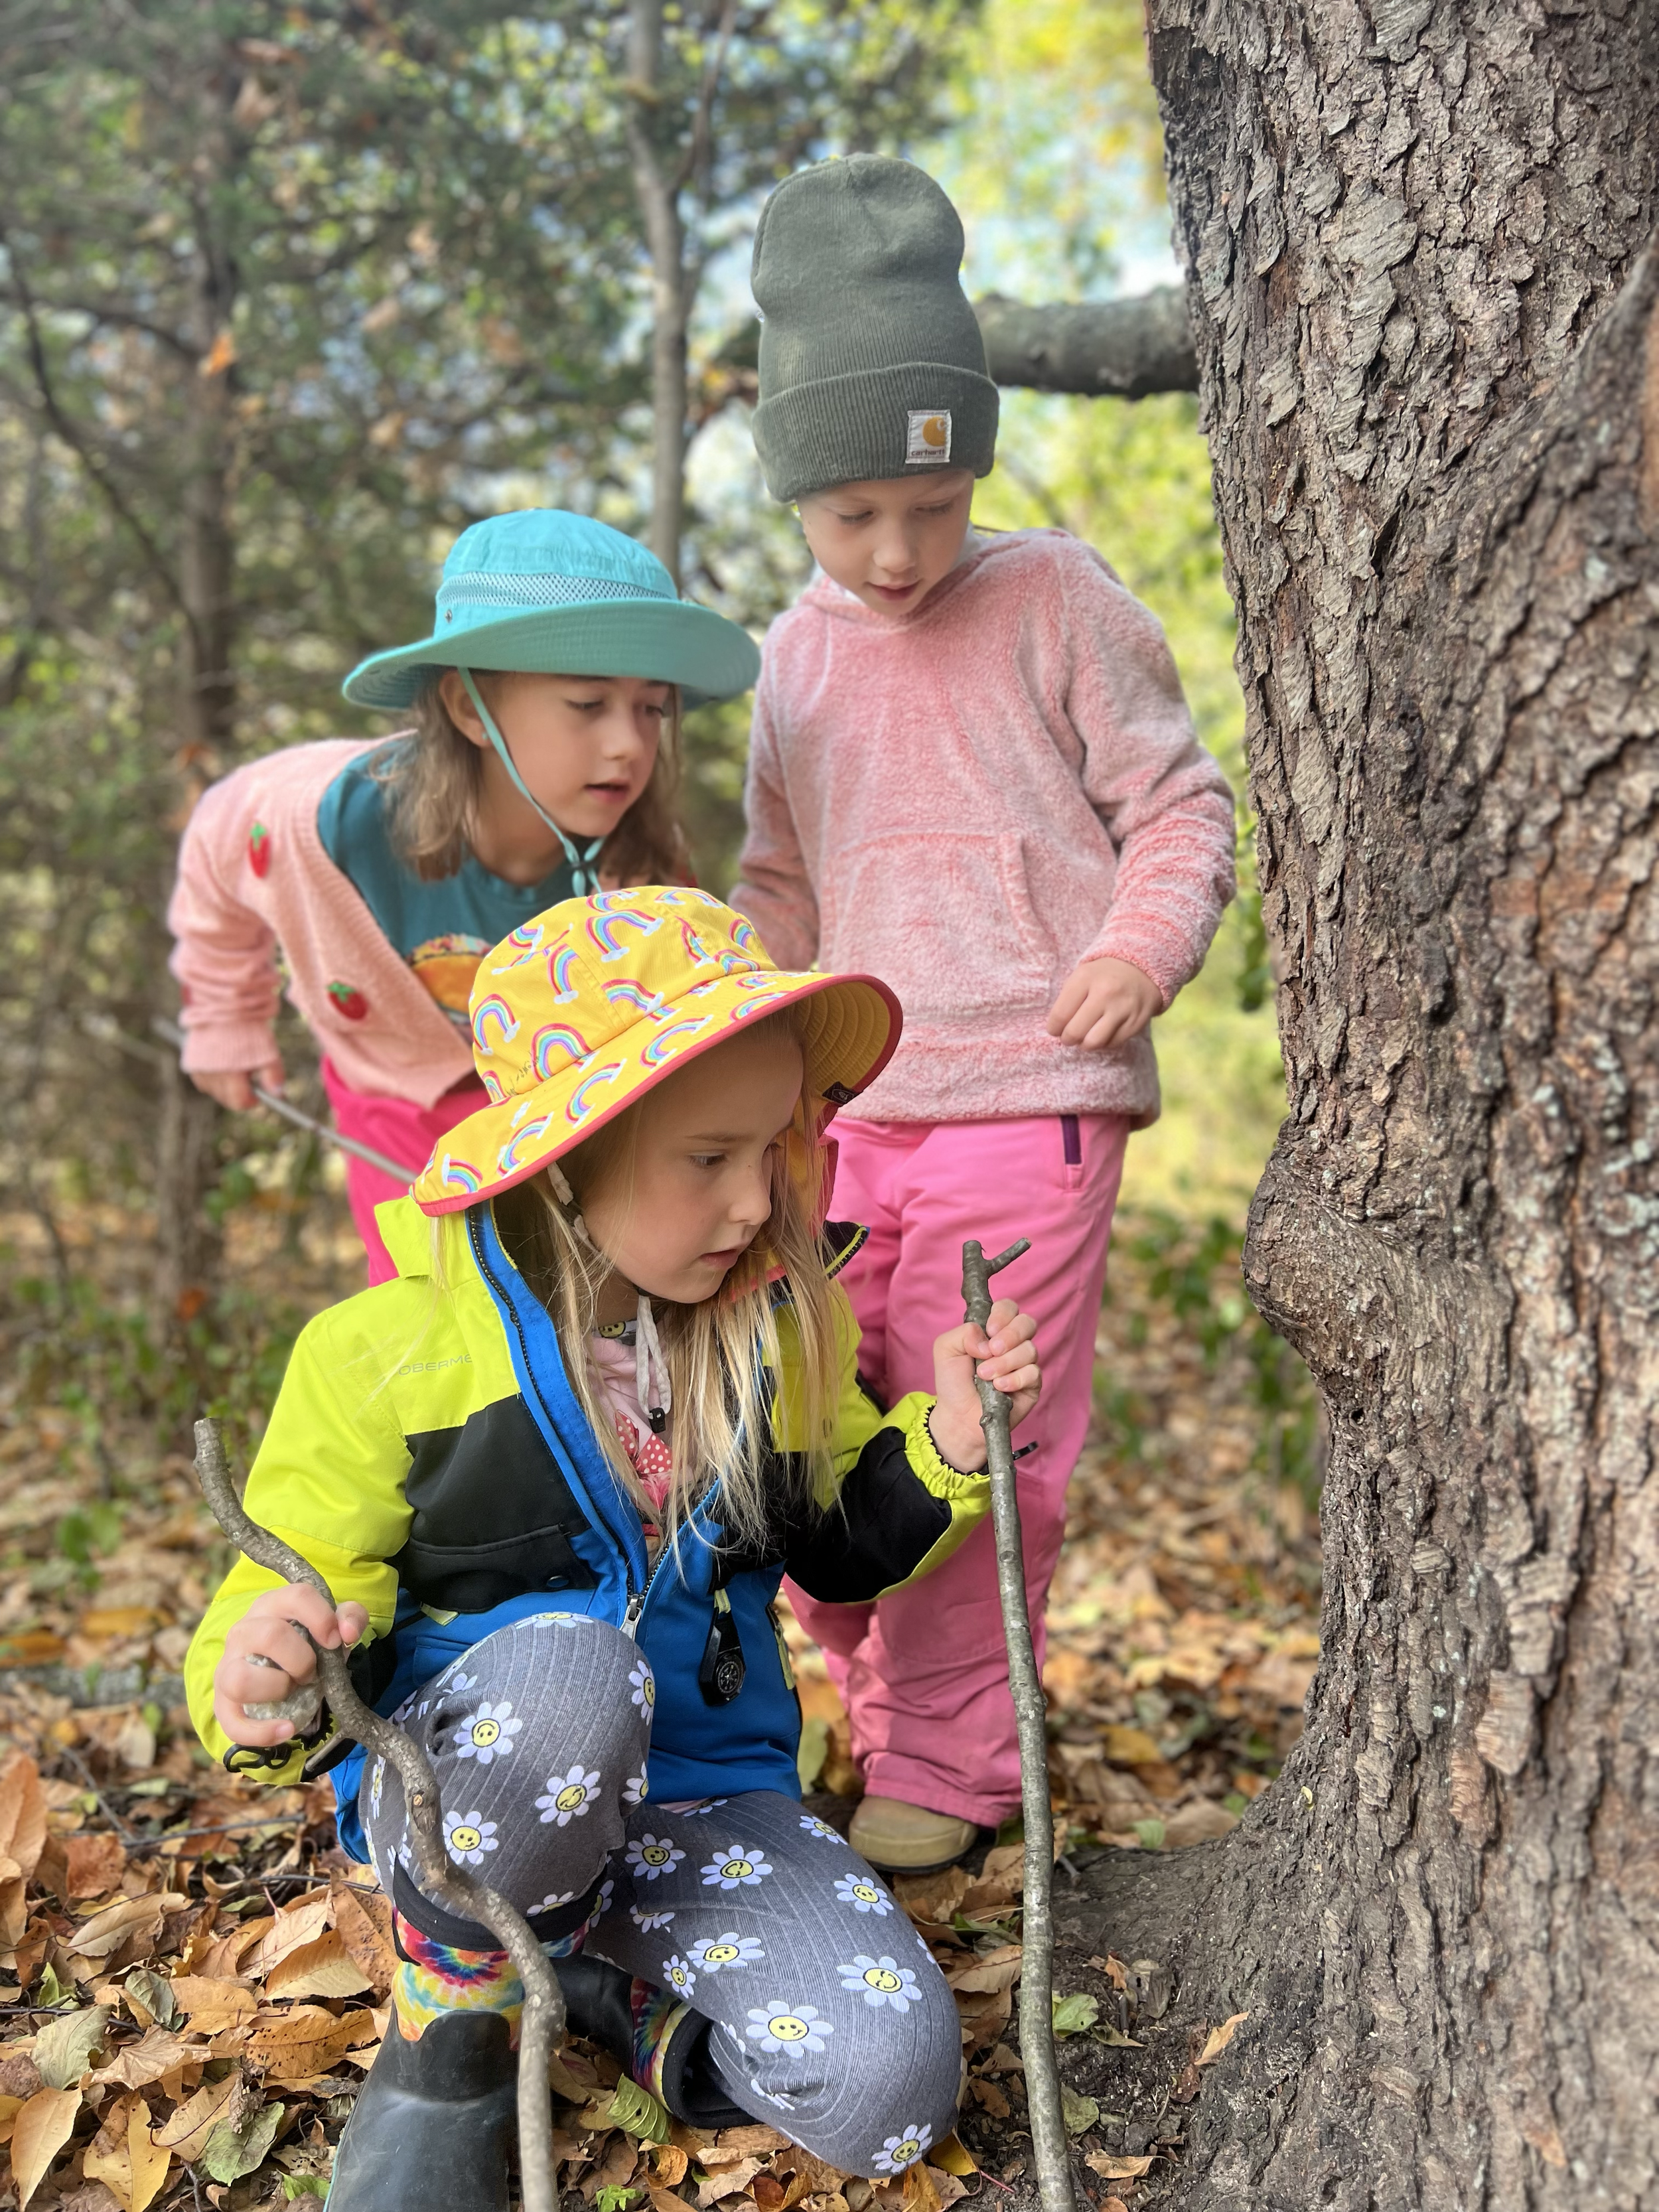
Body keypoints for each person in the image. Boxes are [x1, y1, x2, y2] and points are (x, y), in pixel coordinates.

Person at [183, 887, 1044, 2212]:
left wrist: (946, 1452)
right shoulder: (386, 1356)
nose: (756, 1197)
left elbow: (833, 1551)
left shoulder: (774, 1336)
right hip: (479, 1789)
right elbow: (294, 1577)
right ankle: (452, 2019)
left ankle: (613, 1993)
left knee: (887, 2086)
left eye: (771, 1147)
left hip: (699, 1801)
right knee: (579, 1676)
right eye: (707, 1155)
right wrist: (265, 1667)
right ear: (568, 1154)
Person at [733, 155, 1238, 1874]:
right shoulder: (786, 665)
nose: (893, 552)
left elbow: (1178, 808)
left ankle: (952, 1764)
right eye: (850, 513)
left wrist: (1132, 951)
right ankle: (879, 1713)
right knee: (826, 1432)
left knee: (980, 1425)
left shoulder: (1055, 599)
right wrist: (737, 1053)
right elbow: (774, 898)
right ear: (793, 491)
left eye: (927, 508)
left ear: (975, 468)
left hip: (1031, 1089)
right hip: (845, 1120)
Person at [167, 509, 758, 1282]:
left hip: (553, 1110)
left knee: (569, 1296)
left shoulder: (640, 878)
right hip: (394, 1089)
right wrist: (224, 1016)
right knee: (433, 1297)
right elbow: (217, 840)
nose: (628, 743)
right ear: (466, 708)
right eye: (587, 704)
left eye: (652, 708)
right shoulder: (322, 817)